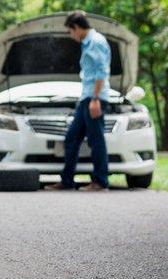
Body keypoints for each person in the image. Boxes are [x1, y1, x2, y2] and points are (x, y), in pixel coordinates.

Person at [46, 11, 111, 191]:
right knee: (72, 138)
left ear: (76, 28)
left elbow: (101, 72)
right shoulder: (87, 43)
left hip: (94, 97)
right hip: (87, 97)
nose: (71, 35)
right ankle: (67, 181)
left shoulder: (95, 42)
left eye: (70, 31)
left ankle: (100, 181)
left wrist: (96, 99)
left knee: (96, 139)